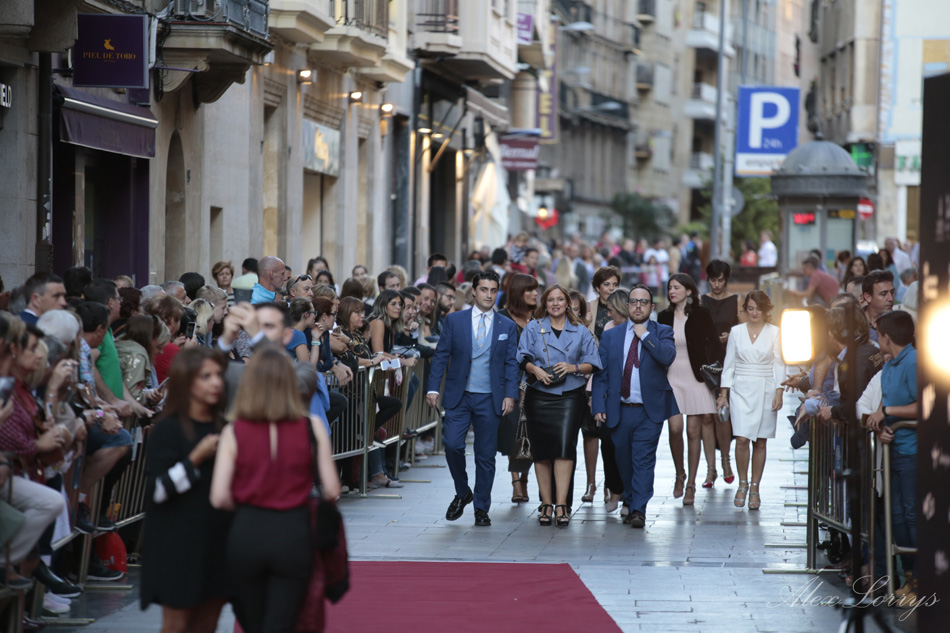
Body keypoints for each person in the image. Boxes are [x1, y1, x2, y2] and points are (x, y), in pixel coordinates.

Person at [211, 346, 340, 633]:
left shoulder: (234, 430)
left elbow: (219, 496)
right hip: (293, 532)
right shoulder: (312, 426)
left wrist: (247, 500)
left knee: (253, 621)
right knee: (282, 621)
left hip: (247, 533)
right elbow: (331, 489)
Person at [140, 347, 232, 633]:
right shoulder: (167, 429)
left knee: (208, 623)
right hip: (177, 542)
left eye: (218, 375)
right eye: (206, 376)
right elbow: (159, 491)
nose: (216, 382)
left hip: (217, 540)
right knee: (177, 624)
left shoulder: (225, 428)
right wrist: (196, 457)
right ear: (187, 382)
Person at [426, 271, 519, 527]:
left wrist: (511, 394)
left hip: (490, 397)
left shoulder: (506, 325)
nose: (488, 295)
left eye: (493, 290)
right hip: (459, 395)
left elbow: (511, 363)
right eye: (484, 289)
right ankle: (462, 490)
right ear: (474, 292)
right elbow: (441, 356)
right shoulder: (455, 320)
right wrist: (433, 388)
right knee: (452, 445)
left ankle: (481, 508)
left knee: (485, 455)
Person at [592, 285, 678, 529]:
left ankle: (639, 509)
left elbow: (667, 357)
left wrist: (645, 336)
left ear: (652, 307)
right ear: (627, 305)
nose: (638, 306)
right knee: (624, 461)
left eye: (644, 302)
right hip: (619, 409)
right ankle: (630, 499)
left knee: (643, 459)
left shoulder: (662, 331)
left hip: (649, 410)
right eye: (633, 302)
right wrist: (598, 404)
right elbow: (601, 374)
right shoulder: (612, 335)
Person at [517, 284, 601, 528]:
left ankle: (562, 504)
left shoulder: (580, 330)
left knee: (565, 447)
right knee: (541, 450)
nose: (555, 303)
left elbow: (593, 362)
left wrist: (573, 367)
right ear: (545, 303)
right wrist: (535, 369)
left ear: (567, 304)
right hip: (538, 395)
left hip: (569, 395)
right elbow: (521, 356)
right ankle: (546, 503)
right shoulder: (534, 327)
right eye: (551, 299)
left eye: (560, 299)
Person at [716, 291, 785, 511]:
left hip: (766, 388)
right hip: (740, 389)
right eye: (750, 308)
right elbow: (729, 364)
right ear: (745, 309)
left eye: (759, 309)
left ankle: (755, 487)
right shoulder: (736, 332)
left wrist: (779, 391)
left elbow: (779, 363)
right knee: (742, 439)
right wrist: (723, 394)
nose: (754, 313)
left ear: (766, 310)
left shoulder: (775, 332)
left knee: (761, 441)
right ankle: (743, 483)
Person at [866, 310, 918, 599]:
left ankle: (921, 578)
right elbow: (883, 404)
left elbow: (925, 405)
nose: (877, 340)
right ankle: (909, 576)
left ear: (887, 337)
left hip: (913, 451)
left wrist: (888, 413)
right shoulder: (888, 366)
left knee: (911, 513)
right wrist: (882, 427)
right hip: (892, 450)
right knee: (895, 514)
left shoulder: (914, 362)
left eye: (879, 335)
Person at [658, 274, 722, 505]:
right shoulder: (663, 316)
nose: (672, 291)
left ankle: (691, 485)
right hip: (671, 376)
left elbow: (715, 344)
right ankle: (680, 473)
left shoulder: (701, 314)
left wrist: (716, 375)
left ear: (688, 291)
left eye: (676, 287)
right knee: (675, 428)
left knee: (694, 432)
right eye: (670, 287)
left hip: (696, 377)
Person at [496, 273, 539, 502]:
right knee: (515, 433)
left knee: (531, 435)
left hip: (537, 385)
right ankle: (516, 483)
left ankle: (525, 479)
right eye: (529, 290)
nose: (535, 294)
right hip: (510, 385)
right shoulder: (502, 318)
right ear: (517, 293)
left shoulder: (540, 318)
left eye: (536, 289)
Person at [587, 266, 622, 341]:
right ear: (597, 287)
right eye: (606, 284)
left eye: (615, 284)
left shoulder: (625, 308)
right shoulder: (588, 308)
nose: (611, 288)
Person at [861, 270, 896, 344]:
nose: (890, 298)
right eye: (883, 294)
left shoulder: (899, 324)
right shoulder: (854, 323)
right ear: (868, 297)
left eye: (892, 292)